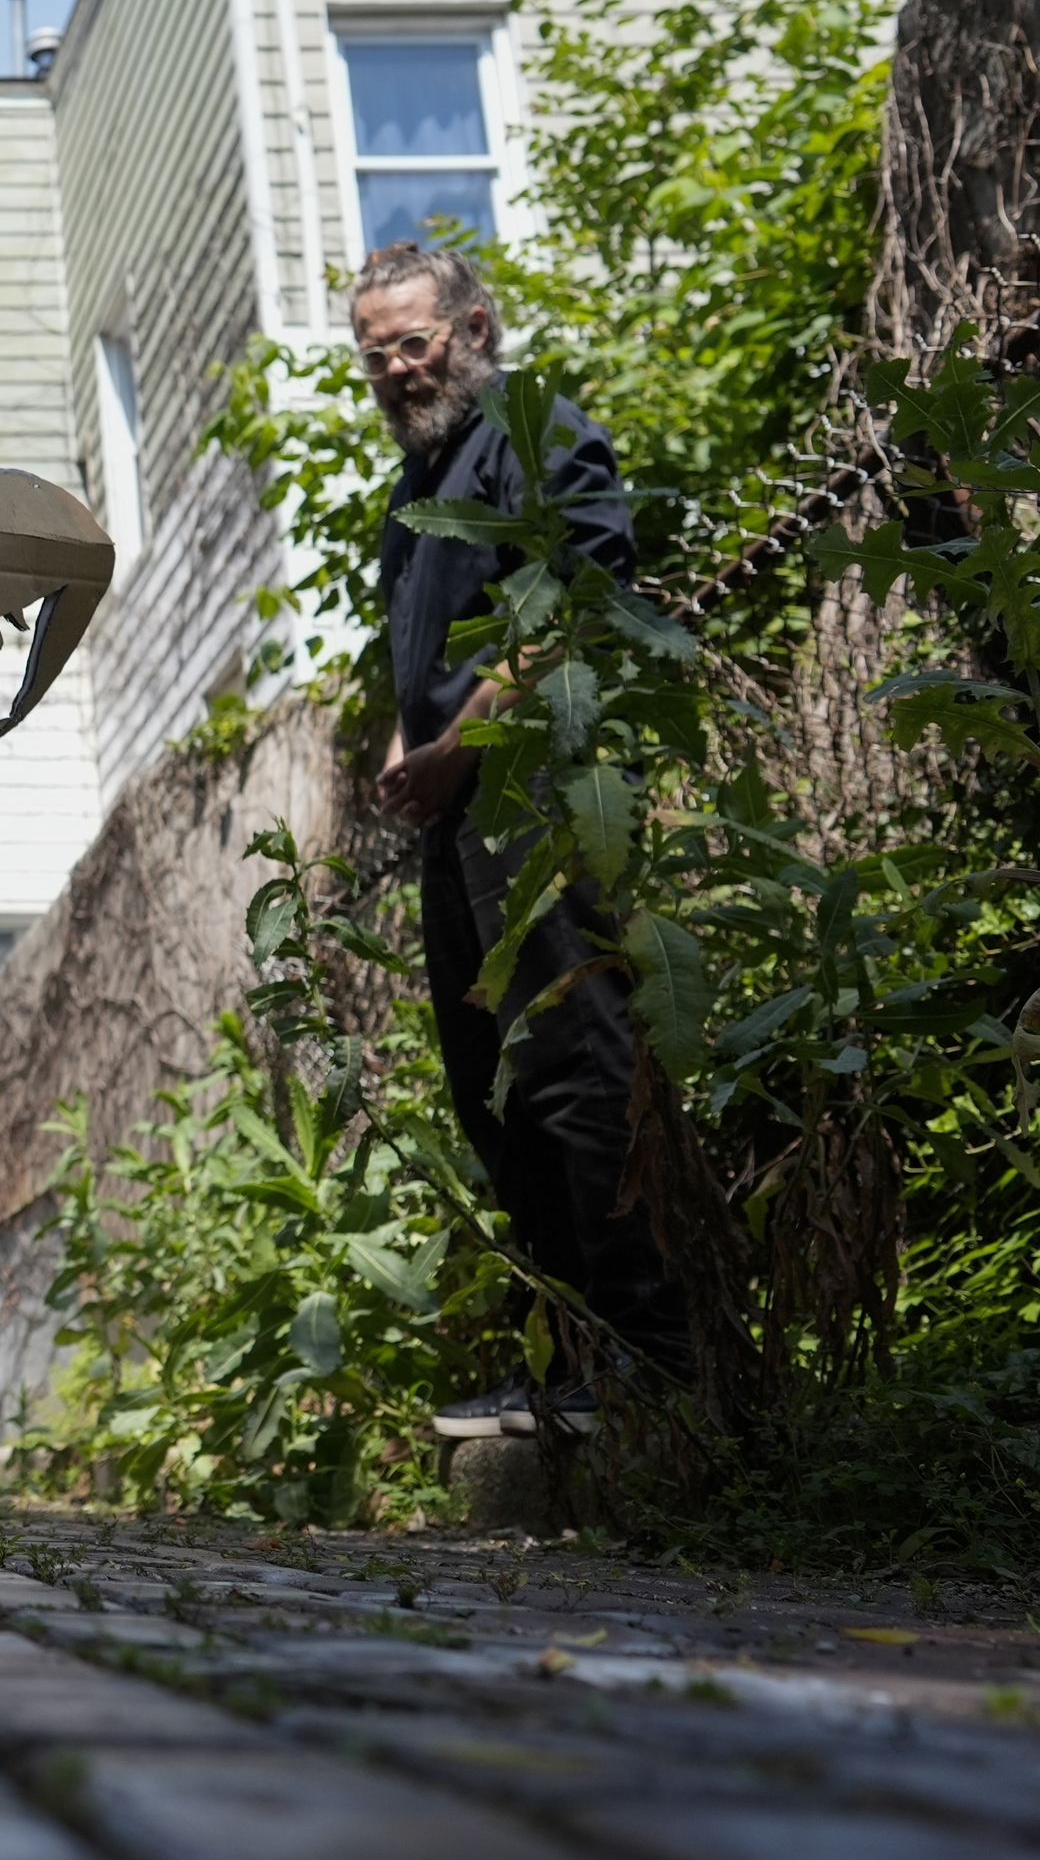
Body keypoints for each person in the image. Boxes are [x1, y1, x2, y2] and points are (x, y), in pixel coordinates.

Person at [352, 242, 691, 1439]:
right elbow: (422, 646)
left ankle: (653, 1368)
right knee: (489, 1088)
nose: (395, 367)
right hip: (456, 820)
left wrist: (467, 746)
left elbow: (585, 594)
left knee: (573, 1070)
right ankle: (567, 1375)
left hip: (541, 792)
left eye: (413, 341)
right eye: (376, 351)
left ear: (472, 326)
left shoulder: (536, 427)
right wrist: (409, 741)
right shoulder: (411, 490)